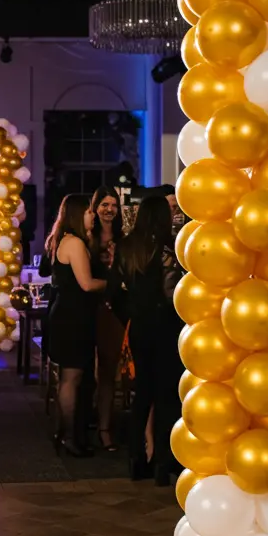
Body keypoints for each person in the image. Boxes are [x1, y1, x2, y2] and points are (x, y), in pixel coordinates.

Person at [110, 194, 182, 484]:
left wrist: (129, 315)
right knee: (166, 397)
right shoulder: (168, 248)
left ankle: (136, 461)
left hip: (138, 325)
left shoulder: (127, 246)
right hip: (166, 327)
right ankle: (163, 464)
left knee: (142, 395)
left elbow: (113, 292)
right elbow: (173, 293)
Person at [44, 194, 107, 457]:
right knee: (72, 377)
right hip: (73, 317)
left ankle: (65, 432)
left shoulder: (63, 240)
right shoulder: (76, 243)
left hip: (67, 315)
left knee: (69, 377)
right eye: (89, 212)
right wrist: (115, 283)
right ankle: (70, 436)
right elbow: (87, 284)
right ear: (77, 214)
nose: (93, 216)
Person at [88, 186, 125, 453]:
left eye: (113, 205)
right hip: (89, 308)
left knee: (109, 371)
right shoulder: (87, 237)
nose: (109, 209)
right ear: (95, 207)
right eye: (104, 204)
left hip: (115, 310)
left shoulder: (124, 239)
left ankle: (105, 427)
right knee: (85, 370)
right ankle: (85, 420)